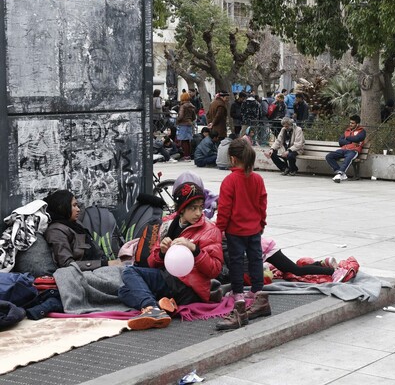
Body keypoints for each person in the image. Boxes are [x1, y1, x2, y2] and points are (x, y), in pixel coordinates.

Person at [118, 180, 224, 330]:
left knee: (130, 272)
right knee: (123, 291)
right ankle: (164, 305)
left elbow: (214, 270)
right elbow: (151, 263)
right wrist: (161, 252)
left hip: (189, 288)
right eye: (193, 208)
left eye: (200, 207)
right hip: (170, 280)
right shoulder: (167, 223)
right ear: (181, 209)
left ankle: (151, 308)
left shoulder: (210, 230)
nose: (198, 213)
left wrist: (195, 249)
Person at [215, 138, 269, 330]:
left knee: (236, 261)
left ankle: (238, 294)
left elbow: (224, 209)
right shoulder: (257, 179)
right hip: (254, 228)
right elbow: (262, 204)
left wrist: (220, 228)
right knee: (256, 259)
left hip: (235, 231)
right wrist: (261, 222)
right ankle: (257, 291)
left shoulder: (230, 181)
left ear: (232, 158)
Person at [44, 190, 121, 270]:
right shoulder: (56, 231)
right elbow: (67, 264)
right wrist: (105, 264)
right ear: (62, 207)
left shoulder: (75, 224)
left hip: (99, 268)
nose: (78, 209)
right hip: (83, 274)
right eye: (74, 206)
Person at [325, 115, 366, 183]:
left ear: (357, 124)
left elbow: (358, 138)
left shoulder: (362, 131)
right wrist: (351, 140)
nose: (350, 124)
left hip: (353, 151)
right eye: (350, 123)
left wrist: (347, 138)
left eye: (352, 123)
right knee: (329, 156)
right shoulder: (347, 131)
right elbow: (340, 142)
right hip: (343, 149)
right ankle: (340, 172)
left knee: (348, 159)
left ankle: (340, 174)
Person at [177, 92, 196, 160]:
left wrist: (178, 120)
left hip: (183, 124)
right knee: (188, 140)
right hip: (189, 123)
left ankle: (186, 155)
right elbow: (194, 117)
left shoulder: (183, 106)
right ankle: (189, 155)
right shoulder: (192, 106)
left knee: (184, 140)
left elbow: (181, 116)